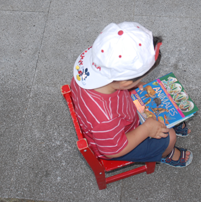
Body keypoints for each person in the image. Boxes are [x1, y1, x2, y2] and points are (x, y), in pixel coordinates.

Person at [70, 22, 192, 167]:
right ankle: (167, 154)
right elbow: (114, 150)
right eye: (140, 78)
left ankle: (166, 127)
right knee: (169, 137)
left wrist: (132, 86)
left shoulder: (89, 70)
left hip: (120, 118)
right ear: (125, 83)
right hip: (117, 143)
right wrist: (146, 129)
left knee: (161, 108)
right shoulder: (104, 118)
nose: (141, 81)